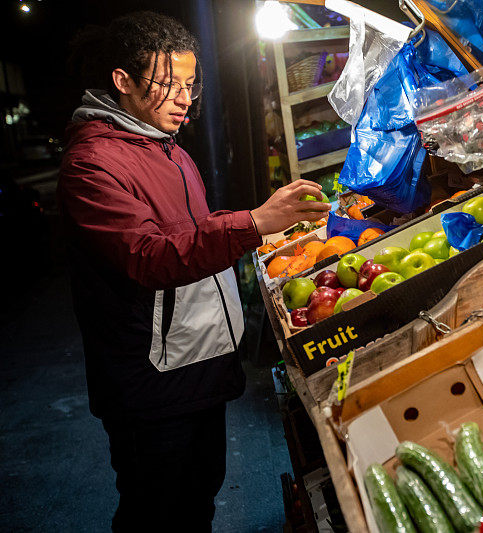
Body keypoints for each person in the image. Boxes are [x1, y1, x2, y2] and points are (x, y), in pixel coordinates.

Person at [57, 11, 329, 532]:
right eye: (169, 84)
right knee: (155, 513)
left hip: (197, 366)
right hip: (150, 382)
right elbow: (150, 255)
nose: (185, 98)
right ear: (124, 82)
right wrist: (254, 223)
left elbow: (193, 235)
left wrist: (268, 226)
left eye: (190, 83)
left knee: (197, 499)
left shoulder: (168, 149)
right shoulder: (92, 163)